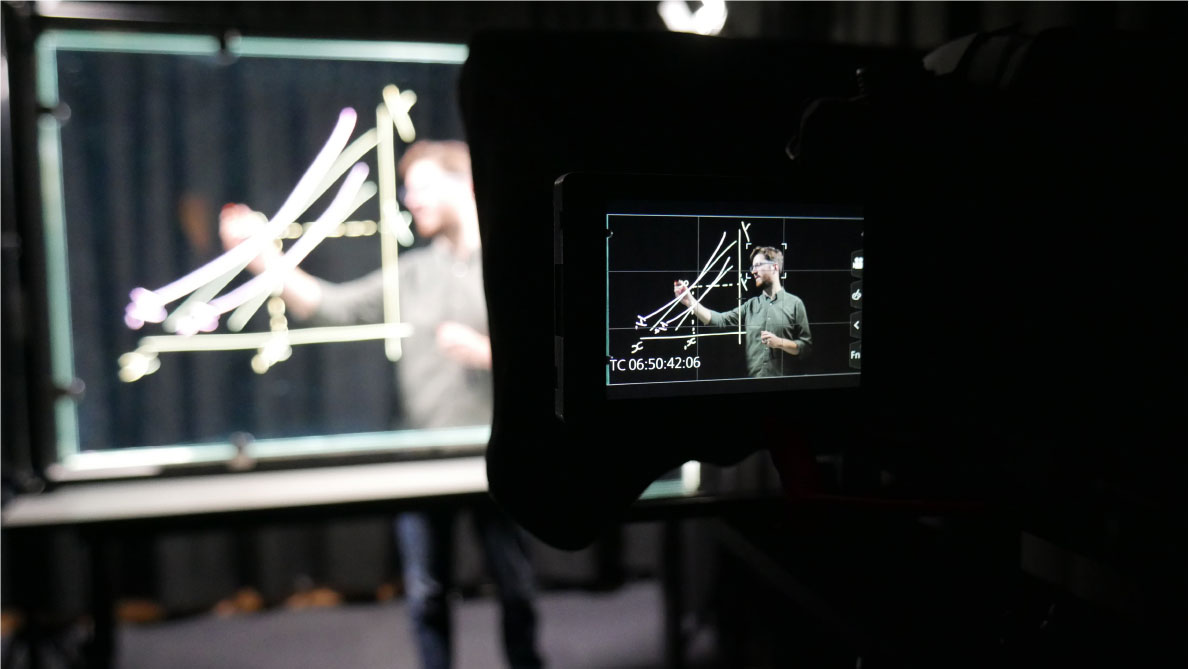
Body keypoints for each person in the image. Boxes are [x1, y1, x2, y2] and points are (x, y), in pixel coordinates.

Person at [220, 140, 543, 669]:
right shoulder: (414, 272)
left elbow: (558, 354)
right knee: (426, 590)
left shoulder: (514, 266)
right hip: (419, 458)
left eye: (420, 190)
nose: (410, 202)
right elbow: (328, 306)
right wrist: (261, 256)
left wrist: (491, 356)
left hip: (496, 456)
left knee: (515, 582)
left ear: (464, 186)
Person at [675, 245, 812, 377]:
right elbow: (720, 321)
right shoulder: (750, 306)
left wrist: (780, 343)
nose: (753, 271)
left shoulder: (795, 304)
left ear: (774, 267)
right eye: (752, 267)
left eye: (758, 265)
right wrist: (690, 301)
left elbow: (806, 347)